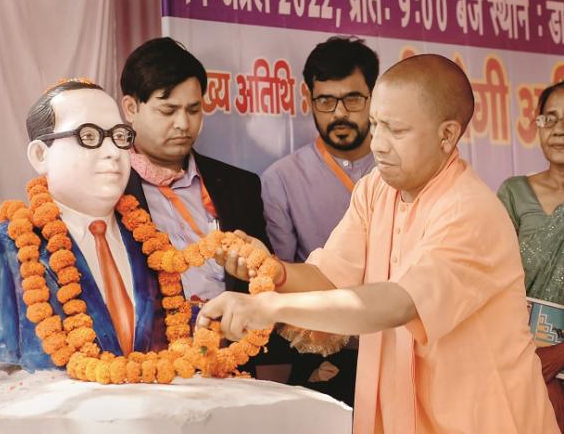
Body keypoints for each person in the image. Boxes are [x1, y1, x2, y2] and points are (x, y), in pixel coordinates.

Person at [200, 54, 559, 433]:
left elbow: (399, 303)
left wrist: (270, 307)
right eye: (375, 125)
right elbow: (332, 275)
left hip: (484, 420)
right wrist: (274, 271)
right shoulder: (376, 189)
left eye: (396, 131)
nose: (378, 145)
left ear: (447, 134)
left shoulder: (470, 210)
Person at [0, 80, 167, 371]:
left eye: (119, 136)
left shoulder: (153, 247)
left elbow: (172, 327)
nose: (112, 152)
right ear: (40, 155)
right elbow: (3, 361)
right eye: (89, 135)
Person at [119, 37, 288, 378]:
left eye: (194, 110)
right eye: (168, 110)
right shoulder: (109, 188)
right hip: (146, 371)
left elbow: (262, 283)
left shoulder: (239, 186)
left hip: (231, 367)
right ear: (131, 108)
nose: (183, 124)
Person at [261, 36, 378, 404]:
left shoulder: (401, 168)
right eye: (326, 100)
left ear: (374, 97)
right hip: (326, 355)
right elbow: (282, 275)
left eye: (353, 99)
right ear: (308, 99)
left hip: (406, 339)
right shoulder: (280, 179)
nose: (339, 113)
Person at [498, 80, 564, 431]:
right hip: (522, 356)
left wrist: (560, 355)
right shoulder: (514, 192)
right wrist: (531, 358)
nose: (559, 131)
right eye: (549, 119)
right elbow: (492, 282)